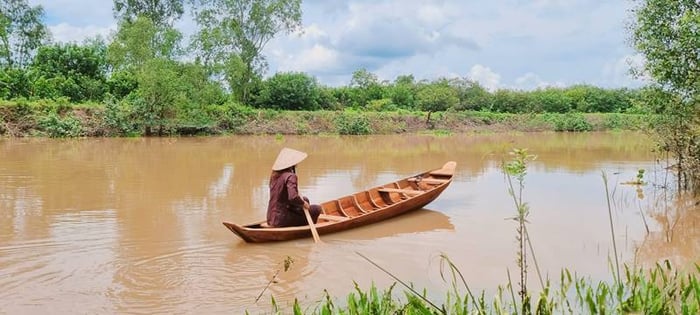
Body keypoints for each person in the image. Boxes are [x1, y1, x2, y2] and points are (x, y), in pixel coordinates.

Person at [266, 147, 322, 227]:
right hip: (281, 220)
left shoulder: (274, 176)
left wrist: (303, 201)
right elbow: (293, 197)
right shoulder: (291, 176)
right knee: (317, 209)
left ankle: (301, 220)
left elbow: (285, 197)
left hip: (270, 218)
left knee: (305, 199)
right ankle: (308, 228)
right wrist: (303, 204)